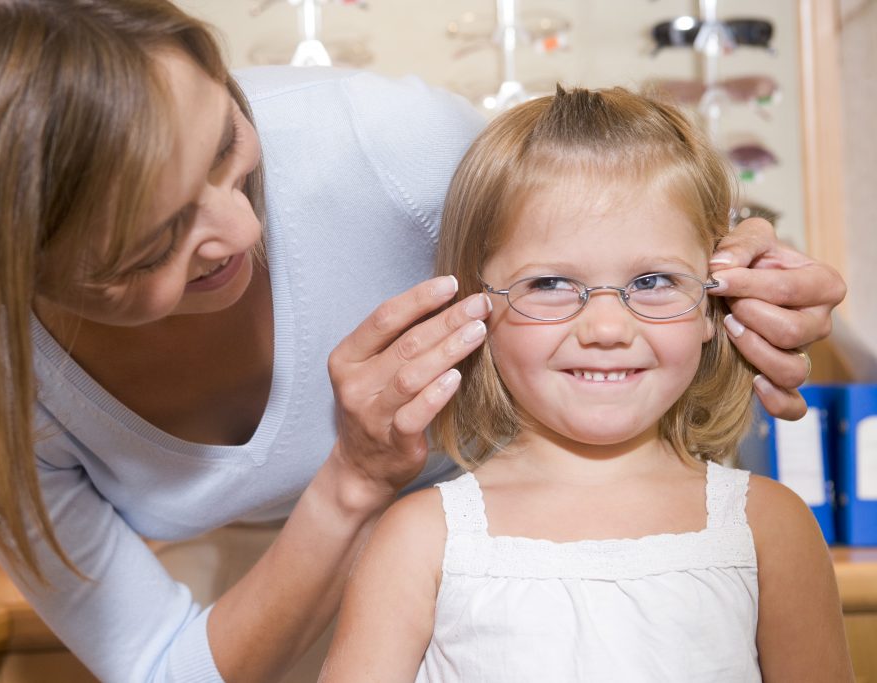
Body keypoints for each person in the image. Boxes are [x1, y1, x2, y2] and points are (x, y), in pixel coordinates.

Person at [0, 1, 845, 681]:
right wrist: (352, 484)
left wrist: (742, 268)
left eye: (230, 152)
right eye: (152, 242)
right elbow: (164, 662)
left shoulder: (389, 147)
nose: (242, 231)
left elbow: (610, 224)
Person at [321, 86, 854, 682]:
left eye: (653, 280)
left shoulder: (769, 528)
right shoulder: (421, 540)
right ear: (475, 311)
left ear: (712, 305)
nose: (606, 327)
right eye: (549, 283)